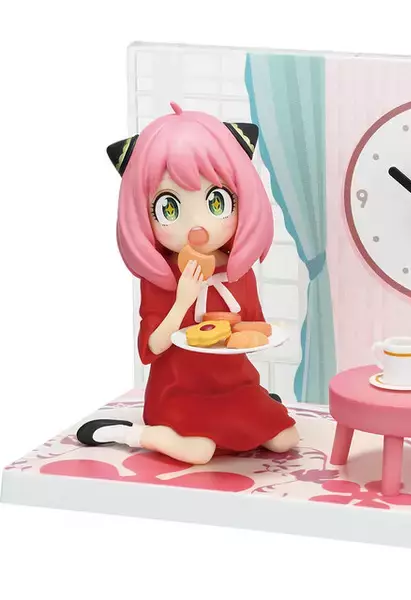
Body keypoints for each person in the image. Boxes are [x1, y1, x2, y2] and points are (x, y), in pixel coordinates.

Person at [76, 102, 298, 464]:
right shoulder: (161, 277)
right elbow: (151, 348)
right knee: (199, 451)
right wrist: (183, 301)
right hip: (180, 389)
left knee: (285, 439)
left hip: (235, 384)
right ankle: (130, 433)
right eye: (170, 208)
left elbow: (253, 327)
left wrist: (259, 334)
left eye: (216, 202)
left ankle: (259, 405)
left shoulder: (239, 271)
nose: (198, 227)